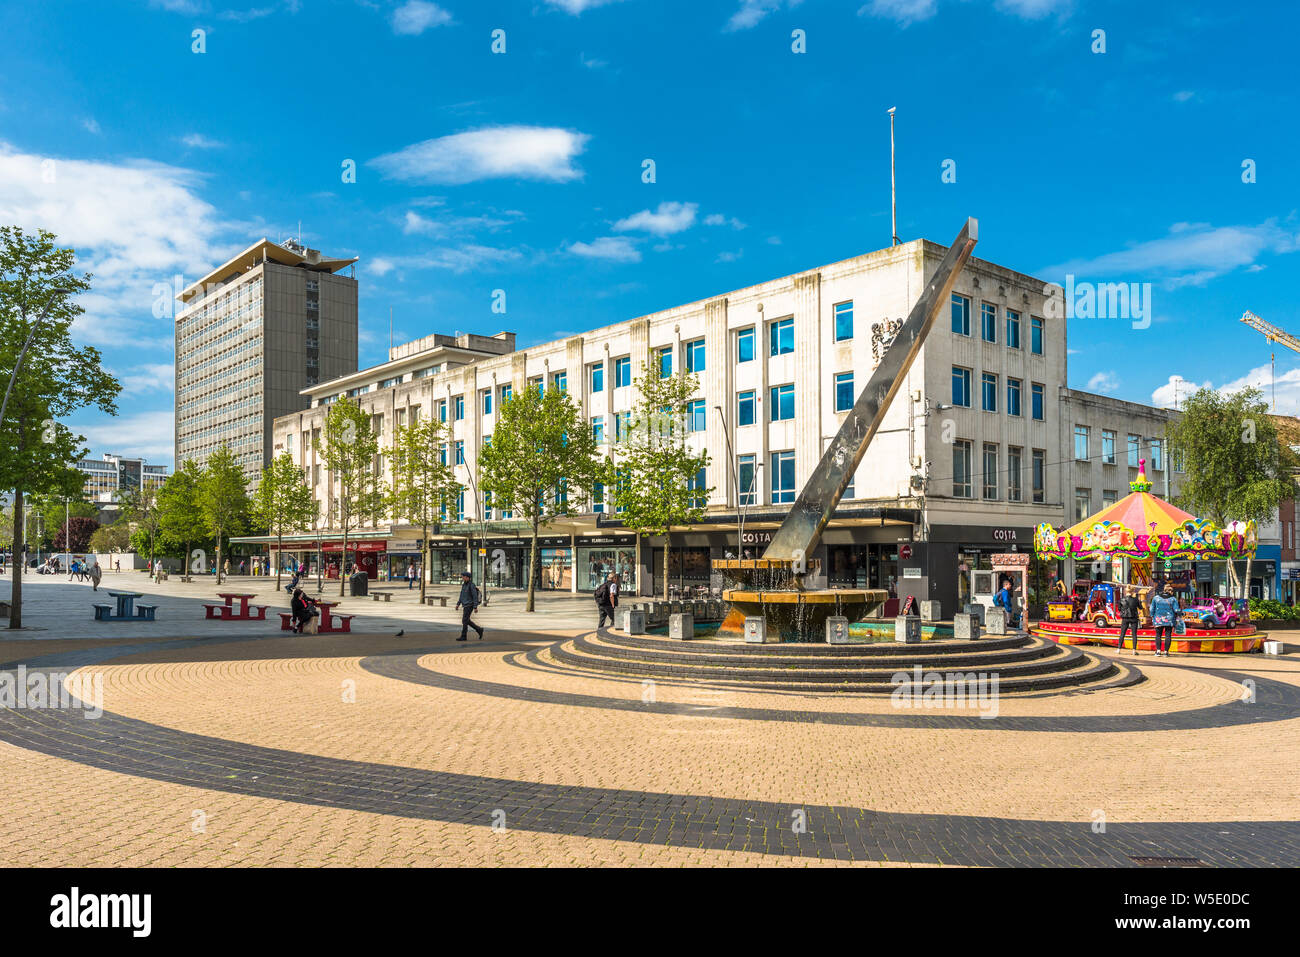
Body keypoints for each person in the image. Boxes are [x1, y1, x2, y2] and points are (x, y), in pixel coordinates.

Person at [1150, 584, 1180, 657]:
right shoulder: (1173, 599)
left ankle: (1158, 651)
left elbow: (1151, 609)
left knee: (1158, 635)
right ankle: (1166, 652)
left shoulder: (1156, 598)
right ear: (1170, 591)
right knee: (1168, 635)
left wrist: (1152, 616)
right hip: (1169, 619)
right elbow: (1176, 610)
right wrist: (1180, 613)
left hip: (1158, 619)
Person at [455, 570, 484, 641]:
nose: (462, 578)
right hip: (465, 604)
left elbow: (474, 596)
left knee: (464, 620)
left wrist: (475, 607)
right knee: (466, 620)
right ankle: (479, 629)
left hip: (469, 605)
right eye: (462, 577)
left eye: (463, 577)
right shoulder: (464, 585)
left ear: (467, 577)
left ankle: (464, 636)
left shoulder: (472, 585)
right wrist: (458, 604)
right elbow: (461, 595)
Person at [1118, 588, 1141, 655]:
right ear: (1132, 592)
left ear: (1125, 592)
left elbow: (1119, 609)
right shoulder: (1136, 600)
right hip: (1134, 618)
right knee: (1134, 634)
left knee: (1122, 634)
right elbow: (1141, 607)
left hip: (1125, 618)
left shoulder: (1122, 600)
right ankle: (1134, 650)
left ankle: (1119, 649)